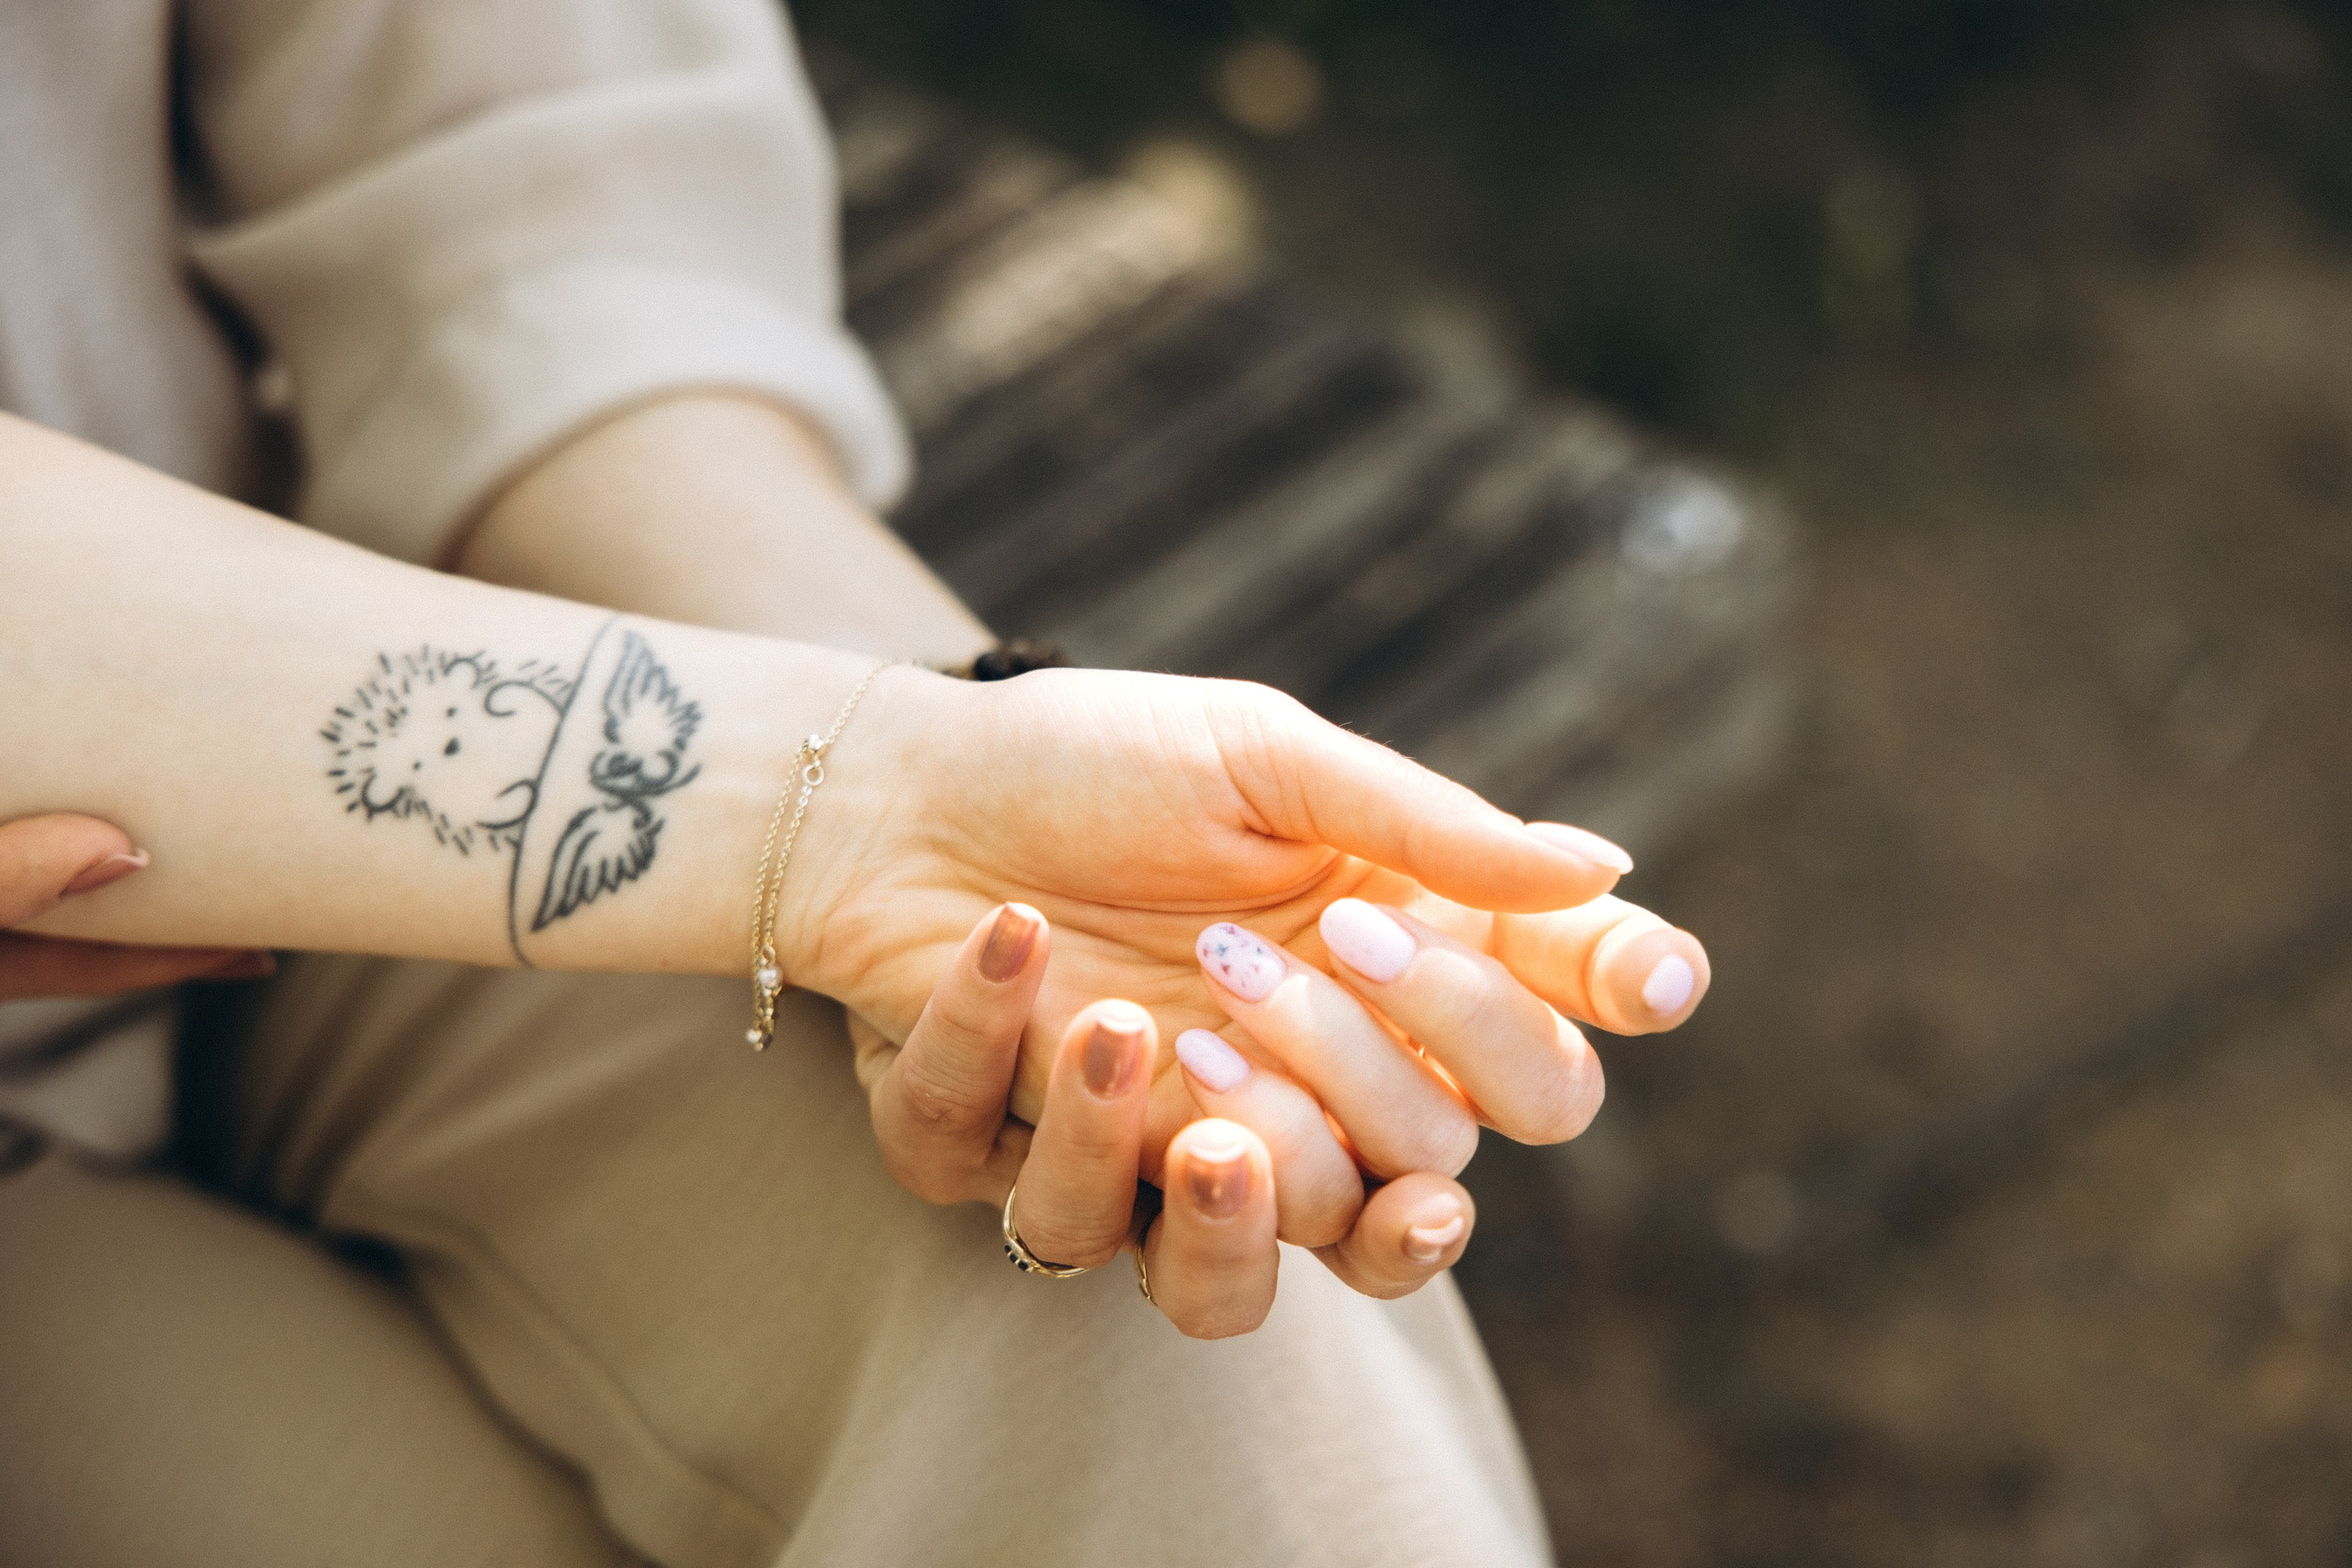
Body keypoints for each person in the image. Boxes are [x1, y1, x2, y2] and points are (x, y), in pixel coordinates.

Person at [0, 5, 1708, 1565]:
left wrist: (959, 758)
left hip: (334, 714)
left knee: (1171, 1265)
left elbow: (516, 183)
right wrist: (856, 809)